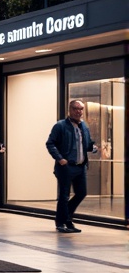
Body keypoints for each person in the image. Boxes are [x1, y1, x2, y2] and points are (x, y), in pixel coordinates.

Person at [45, 99, 96, 233]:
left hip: (81, 166)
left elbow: (87, 144)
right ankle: (61, 223)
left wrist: (93, 148)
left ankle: (66, 217)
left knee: (81, 193)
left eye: (81, 109)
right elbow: (50, 143)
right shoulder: (60, 125)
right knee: (64, 195)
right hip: (66, 167)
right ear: (70, 110)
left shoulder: (84, 126)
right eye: (76, 109)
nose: (79, 112)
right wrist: (60, 159)